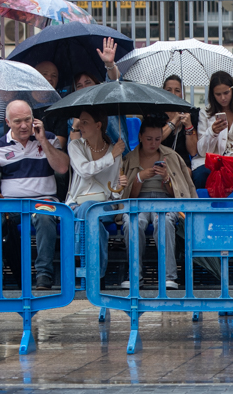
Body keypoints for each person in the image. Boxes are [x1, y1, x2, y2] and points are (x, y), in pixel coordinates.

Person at [0, 100, 71, 290]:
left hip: (43, 200)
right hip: (11, 204)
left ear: (34, 119)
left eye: (27, 120)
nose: (23, 125)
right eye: (18, 121)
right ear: (8, 122)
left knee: (46, 218)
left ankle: (44, 274)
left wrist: (43, 140)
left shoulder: (49, 138)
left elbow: (62, 167)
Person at [119, 117, 197, 290]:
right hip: (138, 201)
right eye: (149, 139)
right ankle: (134, 274)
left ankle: (169, 275)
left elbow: (177, 192)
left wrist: (167, 178)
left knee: (164, 221)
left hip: (165, 200)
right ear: (140, 137)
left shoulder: (171, 155)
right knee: (133, 222)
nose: (153, 143)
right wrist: (140, 178)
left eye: (157, 139)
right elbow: (128, 195)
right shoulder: (130, 158)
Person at [67, 107, 129, 284]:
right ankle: (96, 275)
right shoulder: (75, 146)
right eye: (80, 122)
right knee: (93, 222)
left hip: (105, 206)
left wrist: (120, 186)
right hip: (77, 204)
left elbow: (116, 196)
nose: (80, 126)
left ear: (98, 125)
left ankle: (80, 261)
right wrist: (112, 156)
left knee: (89, 210)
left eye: (85, 122)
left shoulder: (115, 151)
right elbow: (85, 170)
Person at [159, 74, 200, 162]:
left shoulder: (191, 113)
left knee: (187, 172)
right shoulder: (156, 113)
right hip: (159, 159)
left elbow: (193, 152)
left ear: (182, 94)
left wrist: (188, 126)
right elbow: (155, 140)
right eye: (168, 90)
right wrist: (173, 122)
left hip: (181, 162)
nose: (173, 94)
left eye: (177, 90)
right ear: (163, 92)